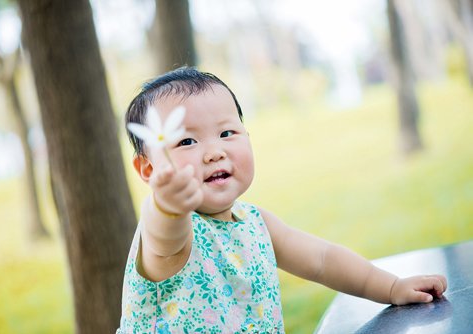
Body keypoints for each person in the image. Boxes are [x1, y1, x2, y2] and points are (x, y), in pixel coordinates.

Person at [117, 67, 447, 334]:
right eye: (187, 140)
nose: (214, 152)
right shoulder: (173, 236)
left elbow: (322, 259)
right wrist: (167, 205)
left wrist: (391, 288)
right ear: (148, 168)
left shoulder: (256, 223)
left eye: (227, 133)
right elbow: (164, 235)